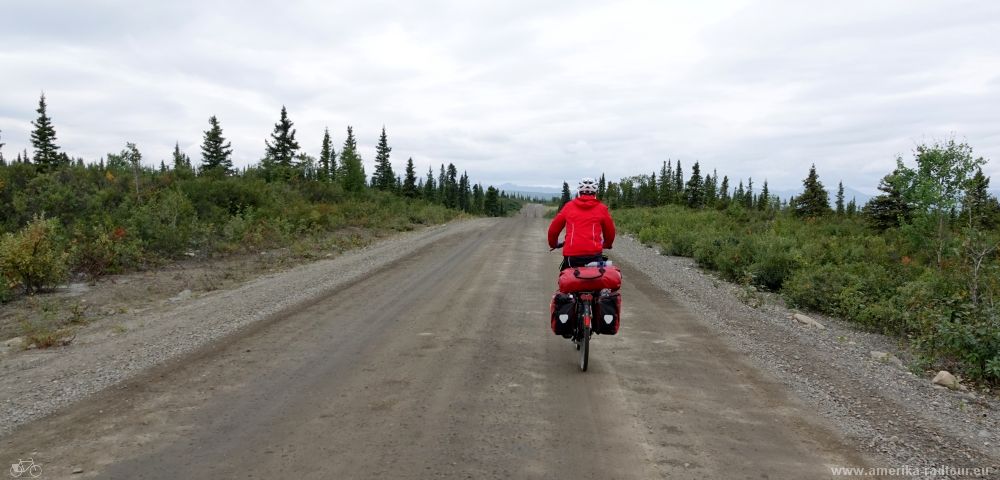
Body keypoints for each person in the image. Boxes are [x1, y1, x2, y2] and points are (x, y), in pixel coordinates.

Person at [548, 177, 616, 270]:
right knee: (597, 277)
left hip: (572, 256)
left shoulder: (569, 207)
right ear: (595, 193)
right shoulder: (602, 208)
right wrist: (607, 244)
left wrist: (553, 244)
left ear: (579, 192)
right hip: (594, 255)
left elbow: (553, 229)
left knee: (568, 279)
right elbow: (610, 231)